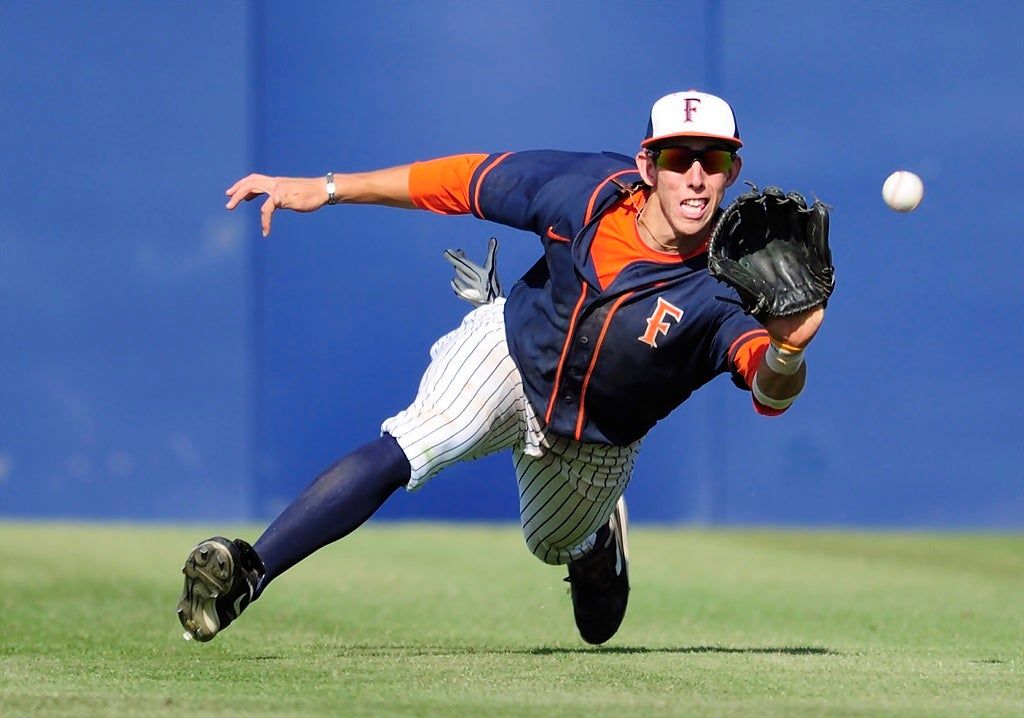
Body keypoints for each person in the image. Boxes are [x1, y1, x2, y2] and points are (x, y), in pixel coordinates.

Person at [177, 90, 826, 645]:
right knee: (418, 440)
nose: (695, 176)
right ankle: (250, 571)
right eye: (677, 158)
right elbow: (464, 180)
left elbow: (770, 393)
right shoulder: (586, 191)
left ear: (734, 170)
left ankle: (596, 540)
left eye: (713, 159)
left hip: (593, 441)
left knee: (583, 601)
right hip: (511, 351)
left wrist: (788, 351)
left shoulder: (731, 282)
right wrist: (328, 188)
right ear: (647, 165)